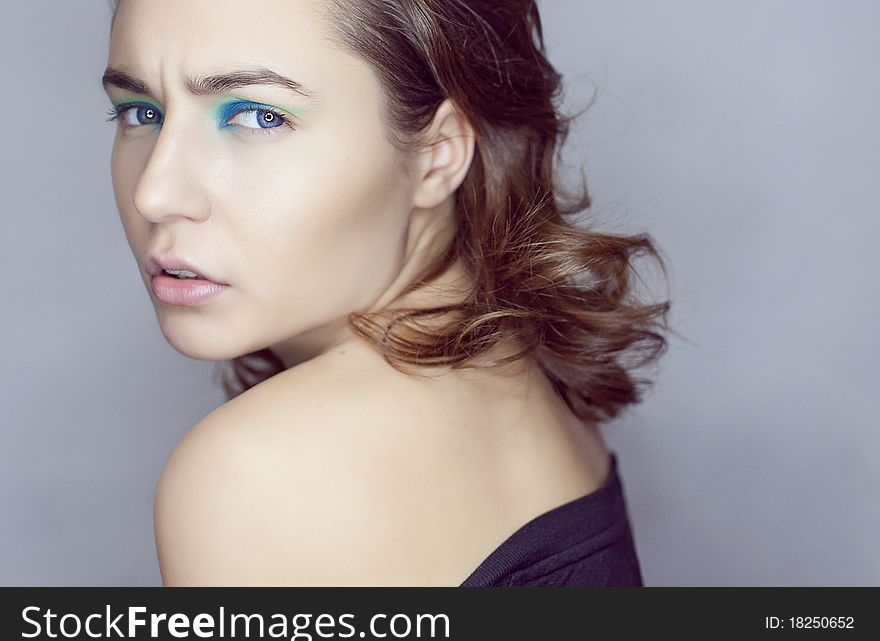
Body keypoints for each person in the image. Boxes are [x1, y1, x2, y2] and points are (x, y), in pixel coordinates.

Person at [102, 0, 670, 586]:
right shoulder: (524, 378)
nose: (156, 193)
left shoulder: (259, 471)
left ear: (438, 152)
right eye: (141, 112)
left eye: (258, 115)